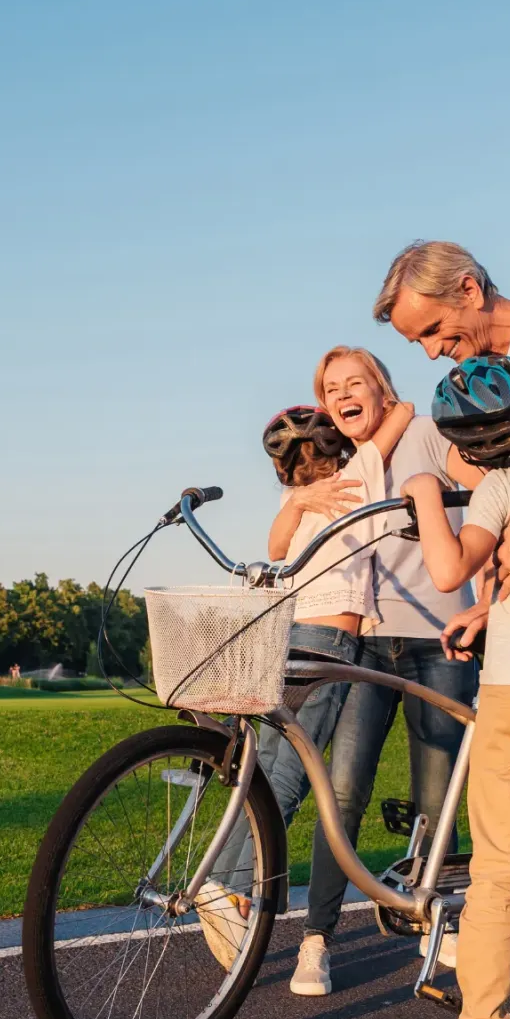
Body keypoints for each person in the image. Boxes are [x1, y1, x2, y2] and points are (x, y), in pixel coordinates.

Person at [289, 346, 484, 998]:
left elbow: (484, 487)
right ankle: (315, 941)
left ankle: (437, 915)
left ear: (381, 388)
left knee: (437, 797)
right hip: (369, 647)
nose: (344, 394)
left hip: (439, 640)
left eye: (356, 382)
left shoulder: (427, 432)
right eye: (331, 387)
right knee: (341, 794)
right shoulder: (344, 468)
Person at [201, 401, 412, 970]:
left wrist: (297, 501)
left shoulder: (292, 499)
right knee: (293, 776)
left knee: (267, 768)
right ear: (335, 449)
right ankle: (230, 887)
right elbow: (404, 413)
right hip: (328, 641)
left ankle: (224, 884)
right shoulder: (358, 475)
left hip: (289, 634)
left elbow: (274, 550)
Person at [400, 354, 510, 1019]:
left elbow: (447, 568)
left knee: (499, 874)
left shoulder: (502, 487)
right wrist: (488, 607)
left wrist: (424, 491)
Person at [374, 239, 510, 637]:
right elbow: (502, 499)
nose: (430, 352)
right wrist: (487, 604)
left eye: (433, 329)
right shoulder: (475, 394)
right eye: (417, 341)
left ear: (469, 290)